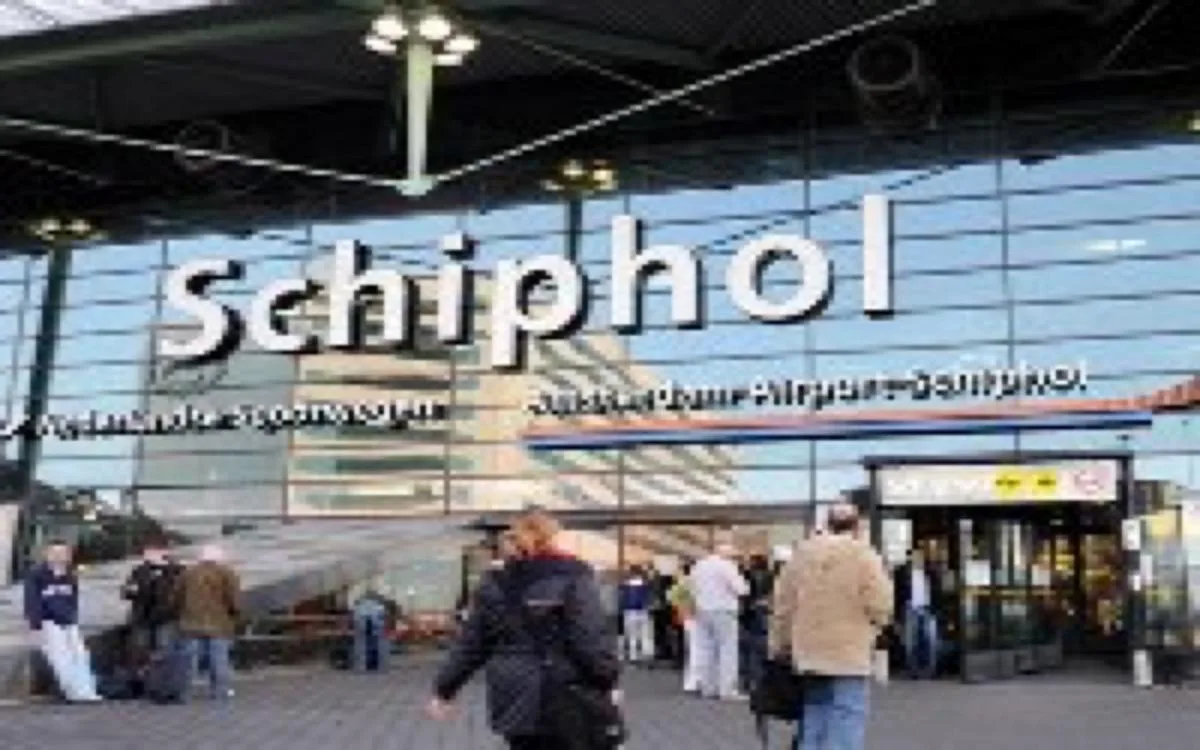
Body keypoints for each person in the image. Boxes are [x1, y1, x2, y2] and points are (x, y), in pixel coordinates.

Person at [427, 510, 620, 750]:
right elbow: (589, 639)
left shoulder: (494, 582)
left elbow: (471, 645)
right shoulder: (573, 576)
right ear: (552, 537)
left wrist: (444, 690)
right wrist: (608, 680)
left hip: (513, 693)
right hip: (566, 692)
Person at [769, 504, 893, 750]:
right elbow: (880, 604)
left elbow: (783, 606)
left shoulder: (801, 555)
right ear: (857, 526)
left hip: (808, 650)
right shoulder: (864, 554)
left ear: (827, 524)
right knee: (847, 714)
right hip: (849, 651)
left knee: (815, 713)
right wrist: (878, 626)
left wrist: (780, 644)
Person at [23, 540, 101, 703]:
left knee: (80, 655)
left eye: (63, 553)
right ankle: (74, 692)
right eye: (55, 553)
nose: (59, 557)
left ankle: (87, 690)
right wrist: (35, 624)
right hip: (48, 621)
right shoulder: (36, 574)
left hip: (69, 621)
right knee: (61, 659)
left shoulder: (70, 575)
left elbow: (73, 599)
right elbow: (32, 600)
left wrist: (73, 617)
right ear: (47, 554)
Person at [175, 544, 242, 701]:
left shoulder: (187, 573)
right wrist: (235, 614)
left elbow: (177, 596)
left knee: (189, 660)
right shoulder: (227, 573)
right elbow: (233, 599)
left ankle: (186, 692)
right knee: (219, 658)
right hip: (219, 623)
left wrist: (181, 612)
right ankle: (220, 691)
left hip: (191, 622)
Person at [689, 542, 749, 701]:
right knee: (727, 649)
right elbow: (742, 589)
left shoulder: (699, 565)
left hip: (702, 610)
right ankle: (727, 689)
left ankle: (708, 687)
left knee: (706, 649)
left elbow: (691, 588)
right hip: (723, 610)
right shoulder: (727, 566)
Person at [120, 541, 184, 665]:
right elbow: (126, 592)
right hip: (148, 616)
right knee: (146, 648)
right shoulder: (140, 571)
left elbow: (127, 592)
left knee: (160, 648)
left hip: (161, 616)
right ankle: (147, 671)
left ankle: (155, 671)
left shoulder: (176, 571)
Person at [893, 548, 942, 679]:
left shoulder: (930, 572)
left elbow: (937, 591)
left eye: (919, 557)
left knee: (931, 641)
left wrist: (937, 609)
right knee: (911, 642)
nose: (917, 559)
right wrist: (897, 617)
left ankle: (931, 670)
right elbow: (897, 595)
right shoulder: (902, 573)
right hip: (910, 609)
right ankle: (913, 670)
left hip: (928, 609)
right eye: (914, 557)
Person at [739, 553, 773, 693]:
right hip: (762, 614)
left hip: (747, 615)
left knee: (747, 648)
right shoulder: (770, 576)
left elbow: (742, 594)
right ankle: (758, 681)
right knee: (759, 648)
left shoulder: (745, 575)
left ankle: (747, 680)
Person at [667, 560, 702, 693]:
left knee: (691, 649)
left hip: (686, 617)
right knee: (697, 649)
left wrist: (681, 607)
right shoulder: (693, 582)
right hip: (696, 617)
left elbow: (670, 597)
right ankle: (696, 680)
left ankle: (691, 681)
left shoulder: (681, 583)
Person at [618, 564, 654, 664]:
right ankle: (645, 655)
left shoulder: (625, 584)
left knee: (632, 635)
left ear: (631, 572)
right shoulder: (645, 584)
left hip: (629, 611)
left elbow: (622, 597)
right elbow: (649, 595)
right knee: (644, 634)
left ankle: (633, 656)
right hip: (643, 611)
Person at [351, 588, 390, 672]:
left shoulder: (360, 605)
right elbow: (382, 617)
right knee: (374, 647)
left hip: (365, 627)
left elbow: (356, 618)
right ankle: (374, 665)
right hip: (374, 628)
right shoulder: (379, 606)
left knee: (363, 647)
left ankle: (363, 665)